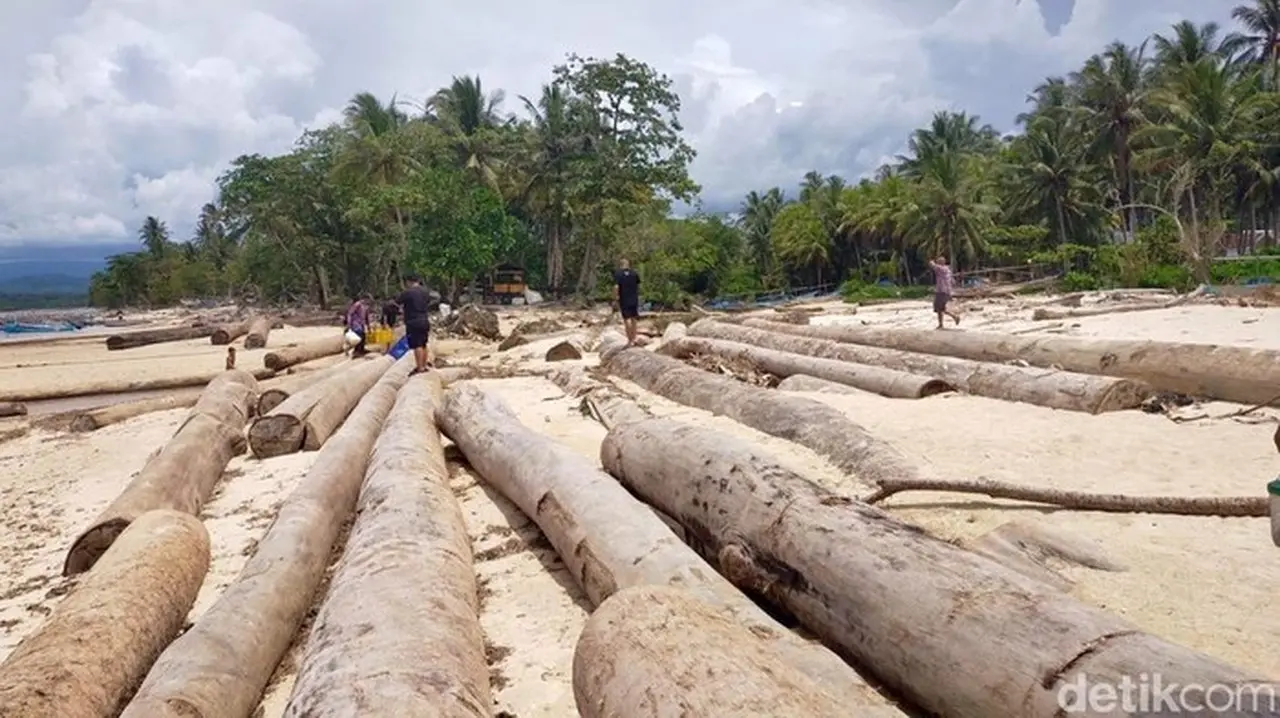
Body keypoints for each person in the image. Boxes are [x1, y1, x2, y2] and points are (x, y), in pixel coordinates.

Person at [397, 275, 432, 374]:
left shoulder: (408, 292)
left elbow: (397, 303)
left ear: (409, 281)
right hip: (424, 320)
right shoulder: (425, 292)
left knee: (417, 345)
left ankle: (419, 367)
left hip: (413, 321)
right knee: (424, 344)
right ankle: (424, 366)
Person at [613, 257, 641, 346]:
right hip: (634, 298)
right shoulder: (634, 273)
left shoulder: (618, 274)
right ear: (628, 264)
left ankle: (630, 340)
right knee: (634, 318)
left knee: (626, 319)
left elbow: (616, 287)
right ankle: (634, 338)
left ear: (621, 265)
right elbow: (638, 285)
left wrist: (615, 297)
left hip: (624, 299)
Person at [928, 256, 960, 329]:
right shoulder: (948, 270)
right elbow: (953, 281)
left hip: (941, 291)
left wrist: (931, 261)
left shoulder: (941, 269)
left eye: (938, 262)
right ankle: (942, 323)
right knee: (941, 308)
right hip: (946, 292)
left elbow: (932, 265)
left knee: (940, 308)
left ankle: (954, 317)